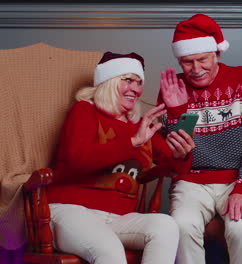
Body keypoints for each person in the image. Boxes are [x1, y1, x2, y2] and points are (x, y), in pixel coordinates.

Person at [46, 51, 195, 264]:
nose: (136, 89)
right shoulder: (85, 111)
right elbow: (76, 159)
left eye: (139, 82)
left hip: (119, 218)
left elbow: (176, 167)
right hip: (71, 211)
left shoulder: (140, 127)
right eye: (128, 80)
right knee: (110, 250)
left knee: (166, 226)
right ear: (109, 81)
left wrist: (181, 154)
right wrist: (132, 142)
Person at [158, 14, 242, 264]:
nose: (196, 69)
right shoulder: (172, 87)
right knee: (181, 226)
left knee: (241, 229)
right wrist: (176, 111)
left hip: (237, 177)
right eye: (187, 62)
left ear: (217, 54)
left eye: (202, 59)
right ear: (179, 60)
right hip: (192, 180)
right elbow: (174, 155)